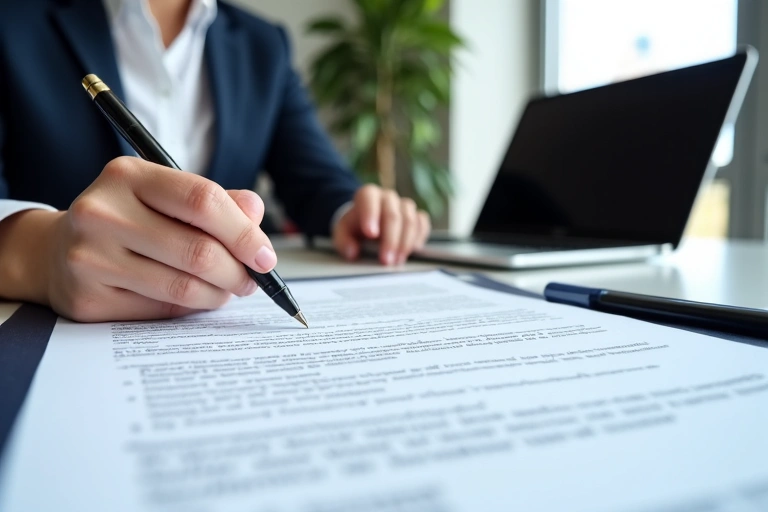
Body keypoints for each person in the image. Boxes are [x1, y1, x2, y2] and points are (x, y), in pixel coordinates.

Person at [0, 0, 431, 322]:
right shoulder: (13, 20)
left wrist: (355, 212)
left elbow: (316, 178)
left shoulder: (264, 44)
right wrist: (39, 254)